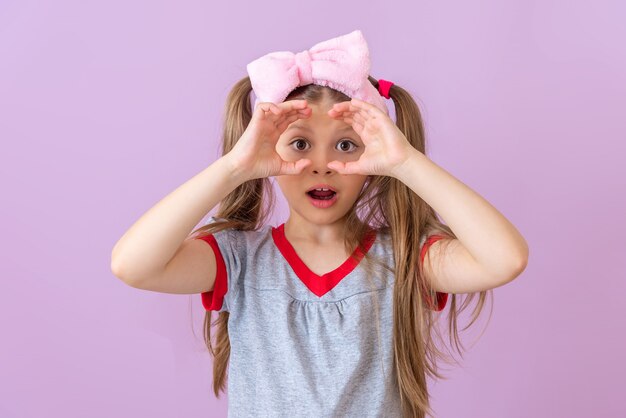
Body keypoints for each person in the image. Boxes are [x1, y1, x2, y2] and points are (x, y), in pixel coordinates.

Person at [111, 30, 529, 418]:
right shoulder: (238, 259)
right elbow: (133, 265)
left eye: (346, 146)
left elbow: (504, 260)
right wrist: (235, 168)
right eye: (299, 144)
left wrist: (407, 164)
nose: (322, 166)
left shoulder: (403, 258)